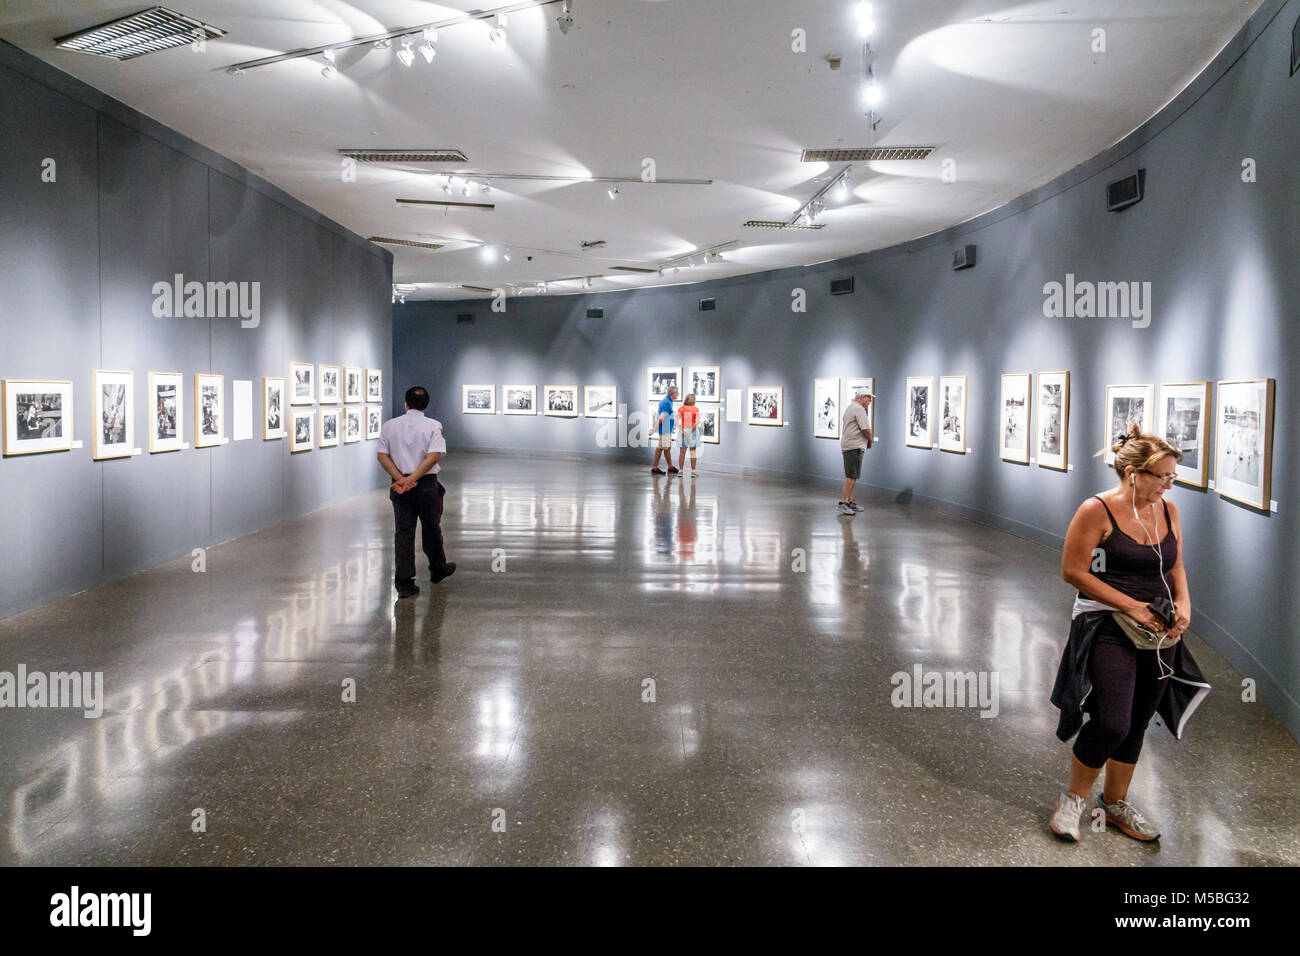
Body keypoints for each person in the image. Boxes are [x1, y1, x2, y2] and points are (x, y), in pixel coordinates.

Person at [1049, 424, 1210, 842]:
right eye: (1164, 476)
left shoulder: (1168, 511)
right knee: (1111, 721)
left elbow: (1175, 567)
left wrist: (1185, 603)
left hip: (1158, 631)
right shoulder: (1095, 510)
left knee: (1137, 721)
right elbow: (1073, 572)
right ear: (1133, 472)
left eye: (1174, 476)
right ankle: (1073, 801)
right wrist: (1130, 605)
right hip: (1107, 623)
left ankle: (1114, 804)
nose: (1170, 484)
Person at [377, 386, 456, 598]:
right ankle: (438, 569)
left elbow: (382, 455)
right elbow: (433, 457)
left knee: (403, 532)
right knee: (432, 528)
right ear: (426, 405)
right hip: (426, 485)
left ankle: (404, 583)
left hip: (400, 485)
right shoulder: (433, 426)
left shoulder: (389, 425)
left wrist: (402, 479)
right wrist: (414, 479)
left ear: (406, 404)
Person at [838, 389, 873, 516]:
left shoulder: (850, 407)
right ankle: (843, 502)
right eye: (869, 399)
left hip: (852, 444)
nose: (870, 402)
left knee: (853, 475)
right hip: (853, 446)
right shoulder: (859, 409)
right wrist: (870, 439)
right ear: (862, 397)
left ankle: (849, 501)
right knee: (851, 475)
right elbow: (865, 428)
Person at [651, 386, 679, 475]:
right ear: (673, 393)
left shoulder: (667, 401)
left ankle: (670, 466)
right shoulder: (667, 402)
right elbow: (661, 418)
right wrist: (654, 429)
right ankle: (655, 468)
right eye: (677, 393)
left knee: (667, 448)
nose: (678, 394)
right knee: (660, 448)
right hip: (665, 430)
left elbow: (657, 414)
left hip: (667, 429)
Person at [676, 393, 701, 476]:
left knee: (682, 452)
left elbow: (676, 421)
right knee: (693, 452)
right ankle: (693, 472)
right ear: (694, 401)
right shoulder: (696, 409)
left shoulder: (681, 408)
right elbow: (697, 422)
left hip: (683, 431)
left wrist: (681, 431)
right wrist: (690, 431)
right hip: (693, 432)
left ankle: (680, 471)